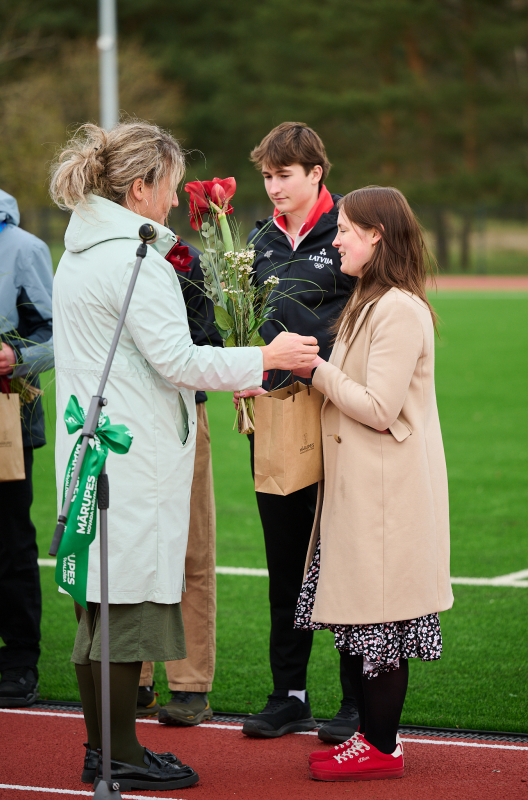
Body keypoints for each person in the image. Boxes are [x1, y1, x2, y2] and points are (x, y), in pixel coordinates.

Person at [50, 120, 318, 792]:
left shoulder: (83, 250)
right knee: (125, 613)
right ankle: (118, 756)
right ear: (139, 187)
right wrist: (266, 355)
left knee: (99, 608)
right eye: (166, 188)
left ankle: (105, 748)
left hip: (95, 449)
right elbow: (176, 360)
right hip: (127, 459)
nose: (172, 203)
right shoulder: (128, 259)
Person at [292, 186, 454, 782]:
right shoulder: (371, 297)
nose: (335, 240)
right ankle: (369, 740)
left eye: (344, 229)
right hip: (363, 487)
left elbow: (380, 406)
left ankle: (382, 751)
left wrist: (315, 370)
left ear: (377, 235)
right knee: (365, 620)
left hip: (387, 493)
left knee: (382, 621)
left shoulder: (399, 309)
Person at [235, 122, 358, 742]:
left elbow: (366, 321)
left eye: (285, 174)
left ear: (317, 174)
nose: (274, 186)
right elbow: (248, 323)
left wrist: (314, 357)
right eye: (267, 176)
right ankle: (289, 694)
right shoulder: (256, 240)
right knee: (285, 561)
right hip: (276, 422)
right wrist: (242, 366)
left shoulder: (353, 232)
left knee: (341, 558)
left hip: (340, 417)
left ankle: (356, 701)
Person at [138, 236, 220, 727]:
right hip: (122, 421)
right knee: (128, 546)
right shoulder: (102, 255)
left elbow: (205, 341)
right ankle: (136, 676)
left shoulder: (181, 257)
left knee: (191, 549)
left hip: (182, 417)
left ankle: (190, 684)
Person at [0, 184, 54, 708]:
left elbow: (56, 334)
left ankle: (18, 661)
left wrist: (16, 356)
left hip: (5, 418)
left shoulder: (23, 248)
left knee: (11, 541)